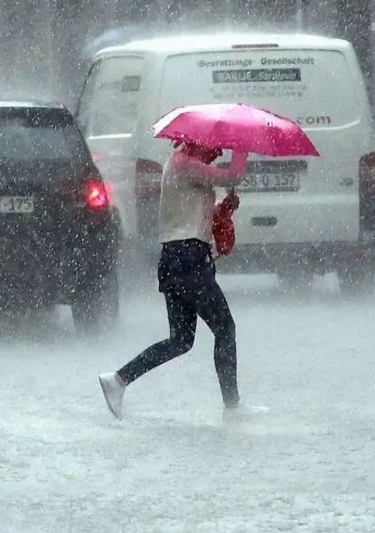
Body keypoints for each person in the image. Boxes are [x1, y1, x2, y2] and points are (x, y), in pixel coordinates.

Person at [98, 141, 268, 421]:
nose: (218, 153)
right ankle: (233, 406)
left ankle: (117, 380)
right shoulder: (185, 165)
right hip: (189, 260)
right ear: (198, 141)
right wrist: (242, 146)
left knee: (181, 340)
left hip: (176, 259)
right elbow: (234, 176)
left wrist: (222, 209)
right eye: (216, 147)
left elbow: (190, 215)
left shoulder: (182, 166)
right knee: (225, 328)